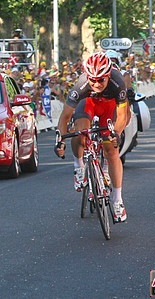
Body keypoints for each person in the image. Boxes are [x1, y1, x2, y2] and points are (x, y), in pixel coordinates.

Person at [54, 52, 129, 223]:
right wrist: (60, 140)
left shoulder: (118, 83)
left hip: (109, 108)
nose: (96, 84)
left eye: (101, 80)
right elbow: (65, 117)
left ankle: (117, 200)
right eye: (92, 80)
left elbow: (123, 115)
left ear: (108, 76)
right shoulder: (80, 85)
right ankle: (79, 165)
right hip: (88, 104)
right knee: (79, 131)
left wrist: (115, 133)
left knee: (111, 150)